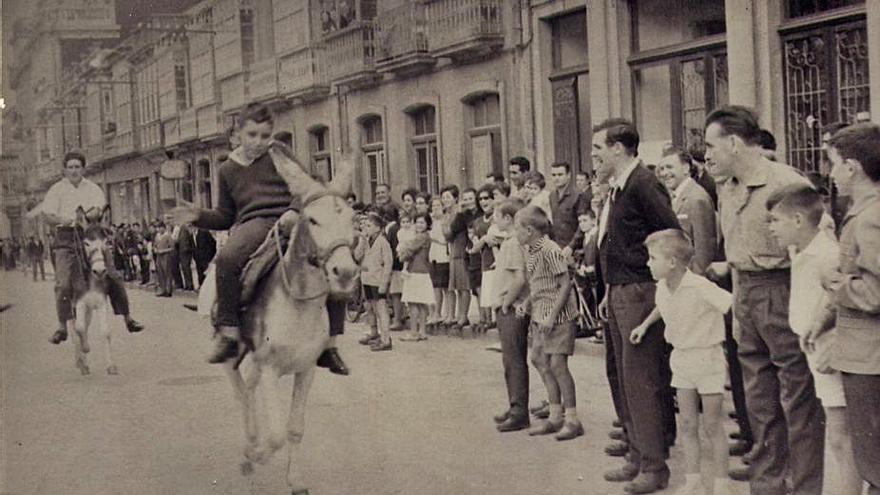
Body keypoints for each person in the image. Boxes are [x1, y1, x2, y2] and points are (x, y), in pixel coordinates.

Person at [170, 103, 348, 374]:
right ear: (238, 133)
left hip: (294, 217)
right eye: (252, 135)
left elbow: (307, 185)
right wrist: (197, 216)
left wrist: (293, 209)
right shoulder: (227, 169)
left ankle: (330, 344)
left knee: (336, 258)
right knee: (227, 259)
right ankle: (228, 331)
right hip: (255, 223)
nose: (258, 142)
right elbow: (225, 215)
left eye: (265, 136)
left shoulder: (280, 153)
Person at [703, 105, 824, 495]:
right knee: (758, 401)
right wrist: (739, 310)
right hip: (747, 297)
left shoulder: (786, 184)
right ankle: (769, 483)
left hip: (784, 291)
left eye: (711, 144)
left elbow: (817, 249)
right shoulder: (728, 187)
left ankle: (806, 485)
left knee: (798, 400)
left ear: (735, 143)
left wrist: (806, 314)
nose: (707, 154)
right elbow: (736, 254)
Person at [593, 118, 679, 493]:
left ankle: (654, 465)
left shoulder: (644, 183)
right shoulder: (620, 186)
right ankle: (636, 451)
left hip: (638, 291)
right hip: (617, 290)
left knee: (641, 378)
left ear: (617, 148)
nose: (593, 156)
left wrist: (656, 281)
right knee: (622, 375)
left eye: (598, 149)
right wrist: (606, 290)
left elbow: (671, 233)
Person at [766, 183, 862, 495]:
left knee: (841, 433)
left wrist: (829, 339)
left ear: (797, 220)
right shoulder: (800, 249)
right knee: (833, 432)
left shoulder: (826, 255)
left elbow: (842, 301)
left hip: (831, 352)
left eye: (775, 221)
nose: (771, 229)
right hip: (812, 345)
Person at [630, 229, 732, 495]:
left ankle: (722, 484)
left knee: (711, 424)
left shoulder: (700, 286)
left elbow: (730, 304)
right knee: (687, 423)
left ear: (672, 262)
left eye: (652, 258)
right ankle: (693, 480)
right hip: (682, 359)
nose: (648, 263)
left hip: (707, 357)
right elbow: (662, 307)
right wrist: (644, 325)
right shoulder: (663, 286)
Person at [32, 151, 146, 344]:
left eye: (78, 167)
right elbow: (47, 216)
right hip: (66, 238)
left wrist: (91, 214)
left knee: (113, 275)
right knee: (63, 284)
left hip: (90, 234)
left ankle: (128, 318)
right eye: (70, 167)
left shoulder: (93, 188)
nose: (74, 170)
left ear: (83, 168)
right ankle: (62, 326)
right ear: (65, 169)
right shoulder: (56, 189)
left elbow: (99, 209)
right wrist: (62, 219)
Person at [826, 123, 880, 494]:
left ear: (853, 167)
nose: (831, 174)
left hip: (869, 357)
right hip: (864, 353)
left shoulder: (870, 218)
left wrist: (836, 284)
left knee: (873, 457)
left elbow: (875, 294)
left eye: (834, 164)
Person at [515, 205, 582, 441]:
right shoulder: (530, 250)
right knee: (538, 359)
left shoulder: (550, 250)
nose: (516, 233)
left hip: (559, 317)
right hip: (540, 315)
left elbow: (565, 284)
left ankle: (572, 419)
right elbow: (538, 284)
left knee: (558, 365)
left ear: (530, 230)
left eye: (518, 228)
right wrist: (527, 303)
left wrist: (552, 315)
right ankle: (555, 416)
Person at [492, 198, 531, 432]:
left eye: (497, 214)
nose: (495, 219)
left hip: (512, 307)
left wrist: (506, 303)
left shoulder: (514, 243)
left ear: (508, 219)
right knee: (509, 360)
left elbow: (519, 279)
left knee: (514, 359)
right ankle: (514, 404)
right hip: (509, 305)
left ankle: (519, 411)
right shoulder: (509, 241)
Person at [656, 148, 717, 274]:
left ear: (685, 168)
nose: (664, 173)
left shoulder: (696, 198)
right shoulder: (675, 197)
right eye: (662, 169)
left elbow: (704, 252)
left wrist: (696, 282)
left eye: (669, 167)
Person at [353, 212, 393, 351]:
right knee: (369, 307)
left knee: (381, 308)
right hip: (367, 279)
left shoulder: (383, 242)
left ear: (377, 227)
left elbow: (388, 263)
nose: (366, 228)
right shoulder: (366, 241)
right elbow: (357, 257)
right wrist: (362, 241)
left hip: (378, 280)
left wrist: (384, 283)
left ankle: (386, 339)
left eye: (369, 226)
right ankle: (374, 333)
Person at [398, 212, 433, 342]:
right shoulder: (423, 237)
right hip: (422, 271)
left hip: (416, 272)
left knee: (413, 303)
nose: (419, 225)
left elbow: (408, 249)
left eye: (422, 222)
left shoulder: (421, 237)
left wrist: (402, 251)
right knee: (421, 303)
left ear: (427, 224)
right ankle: (422, 331)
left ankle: (414, 332)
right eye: (417, 222)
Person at [548, 161, 589, 249]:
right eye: (553, 175)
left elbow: (583, 225)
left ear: (568, 175)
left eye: (560, 174)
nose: (556, 178)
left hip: (575, 249)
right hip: (558, 248)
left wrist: (571, 246)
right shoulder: (552, 196)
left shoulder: (578, 196)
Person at [428, 196, 451, 327]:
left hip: (444, 256)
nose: (435, 208)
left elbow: (444, 240)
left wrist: (434, 239)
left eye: (438, 205)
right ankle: (437, 313)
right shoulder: (431, 222)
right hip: (433, 256)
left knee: (445, 287)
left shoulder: (445, 221)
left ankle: (448, 312)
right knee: (436, 286)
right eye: (433, 206)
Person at [153, 222, 174, 297]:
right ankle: (162, 289)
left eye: (160, 228)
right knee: (160, 273)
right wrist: (155, 249)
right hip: (159, 256)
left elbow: (172, 247)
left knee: (167, 272)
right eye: (158, 228)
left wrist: (164, 250)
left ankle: (168, 290)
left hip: (166, 256)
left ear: (164, 228)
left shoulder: (168, 236)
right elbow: (154, 245)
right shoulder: (157, 236)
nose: (159, 229)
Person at [175, 222, 195, 291]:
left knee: (186, 268)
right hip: (182, 251)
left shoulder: (185, 230)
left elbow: (190, 241)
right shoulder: (182, 230)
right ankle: (187, 285)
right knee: (184, 268)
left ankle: (189, 285)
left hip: (186, 251)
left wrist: (190, 249)